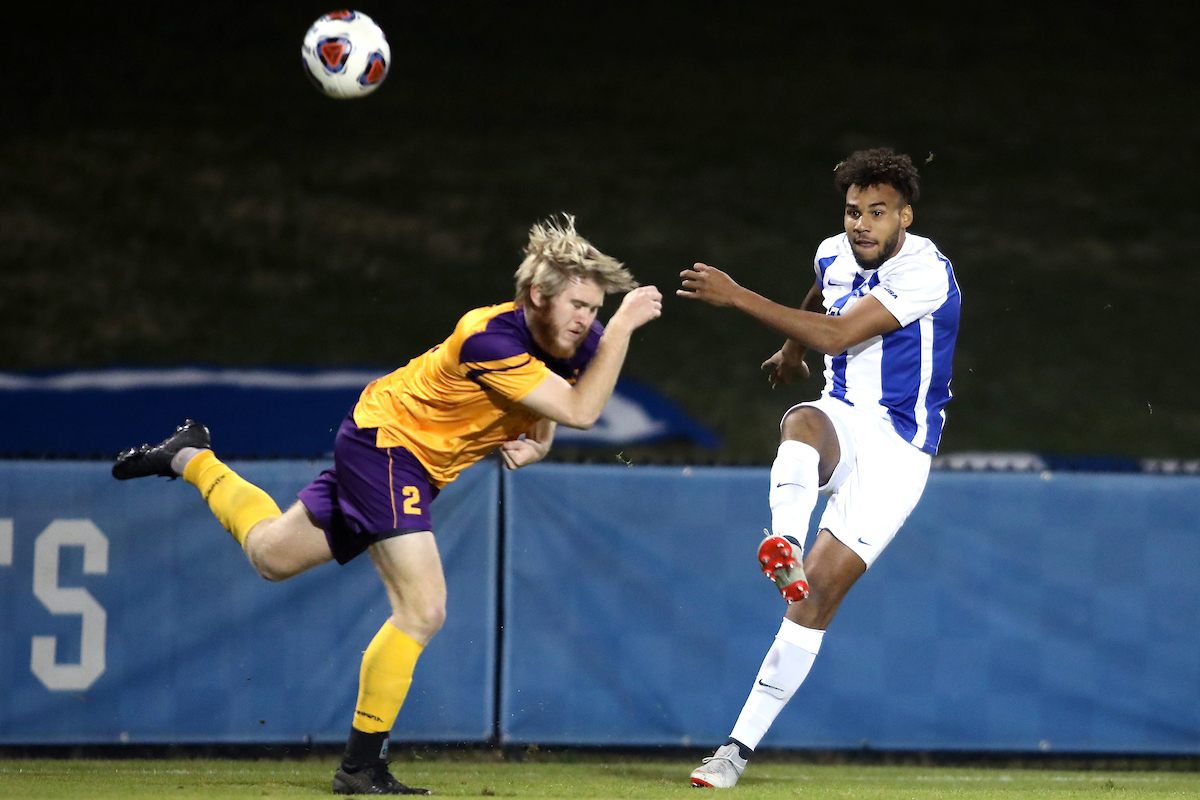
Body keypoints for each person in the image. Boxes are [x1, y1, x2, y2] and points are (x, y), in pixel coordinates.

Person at [113, 215, 662, 796]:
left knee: (270, 555)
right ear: (535, 295)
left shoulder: (573, 339)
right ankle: (360, 766)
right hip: (388, 448)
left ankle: (189, 457)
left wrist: (540, 441)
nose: (588, 320)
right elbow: (581, 409)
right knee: (423, 609)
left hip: (399, 455)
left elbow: (564, 398)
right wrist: (624, 327)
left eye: (598, 309)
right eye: (579, 305)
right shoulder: (488, 336)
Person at [678, 148, 960, 788]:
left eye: (878, 213)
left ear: (905, 217)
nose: (862, 224)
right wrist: (789, 346)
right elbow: (820, 291)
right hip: (842, 417)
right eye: (854, 210)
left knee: (815, 604)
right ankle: (785, 539)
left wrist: (738, 296)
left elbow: (838, 333)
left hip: (899, 451)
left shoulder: (925, 271)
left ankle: (734, 751)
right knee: (801, 422)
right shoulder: (834, 249)